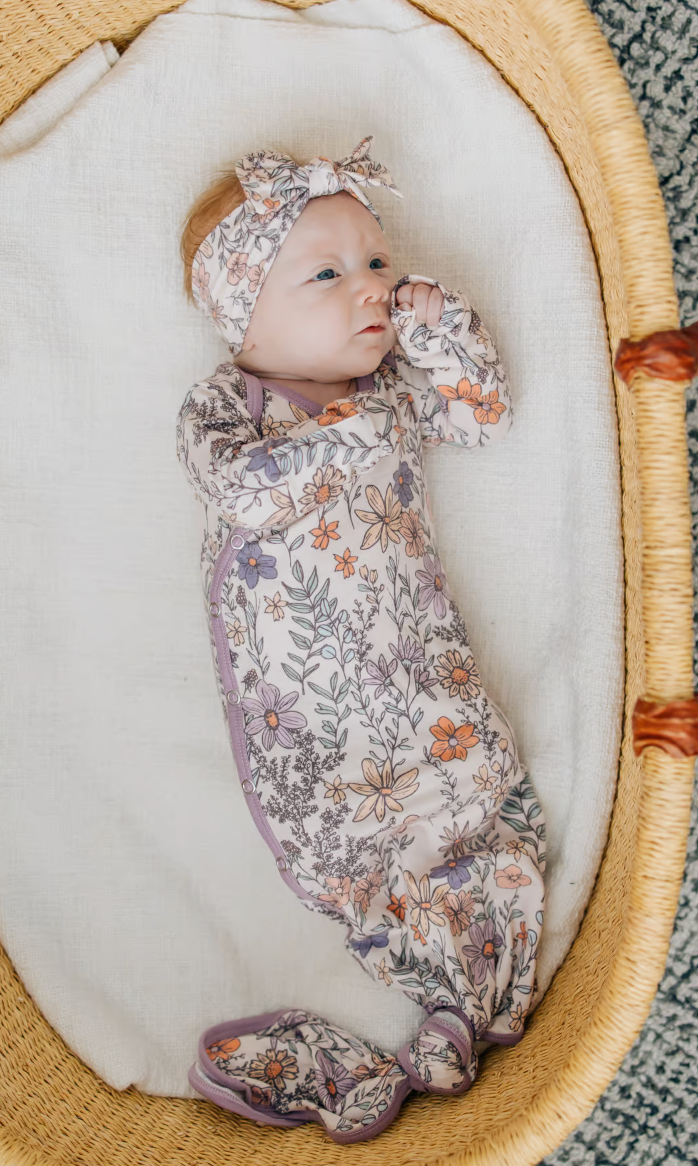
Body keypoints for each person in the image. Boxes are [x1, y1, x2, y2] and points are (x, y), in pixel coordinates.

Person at [175, 136, 545, 1144]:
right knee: (368, 853)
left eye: (380, 262)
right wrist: (345, 433)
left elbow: (483, 412)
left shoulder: (390, 394)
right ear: (243, 315)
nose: (373, 287)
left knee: (475, 810)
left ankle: (459, 1003)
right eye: (329, 273)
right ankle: (403, 1024)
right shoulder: (228, 408)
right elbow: (246, 492)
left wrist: (443, 331)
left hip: (416, 671)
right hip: (310, 714)